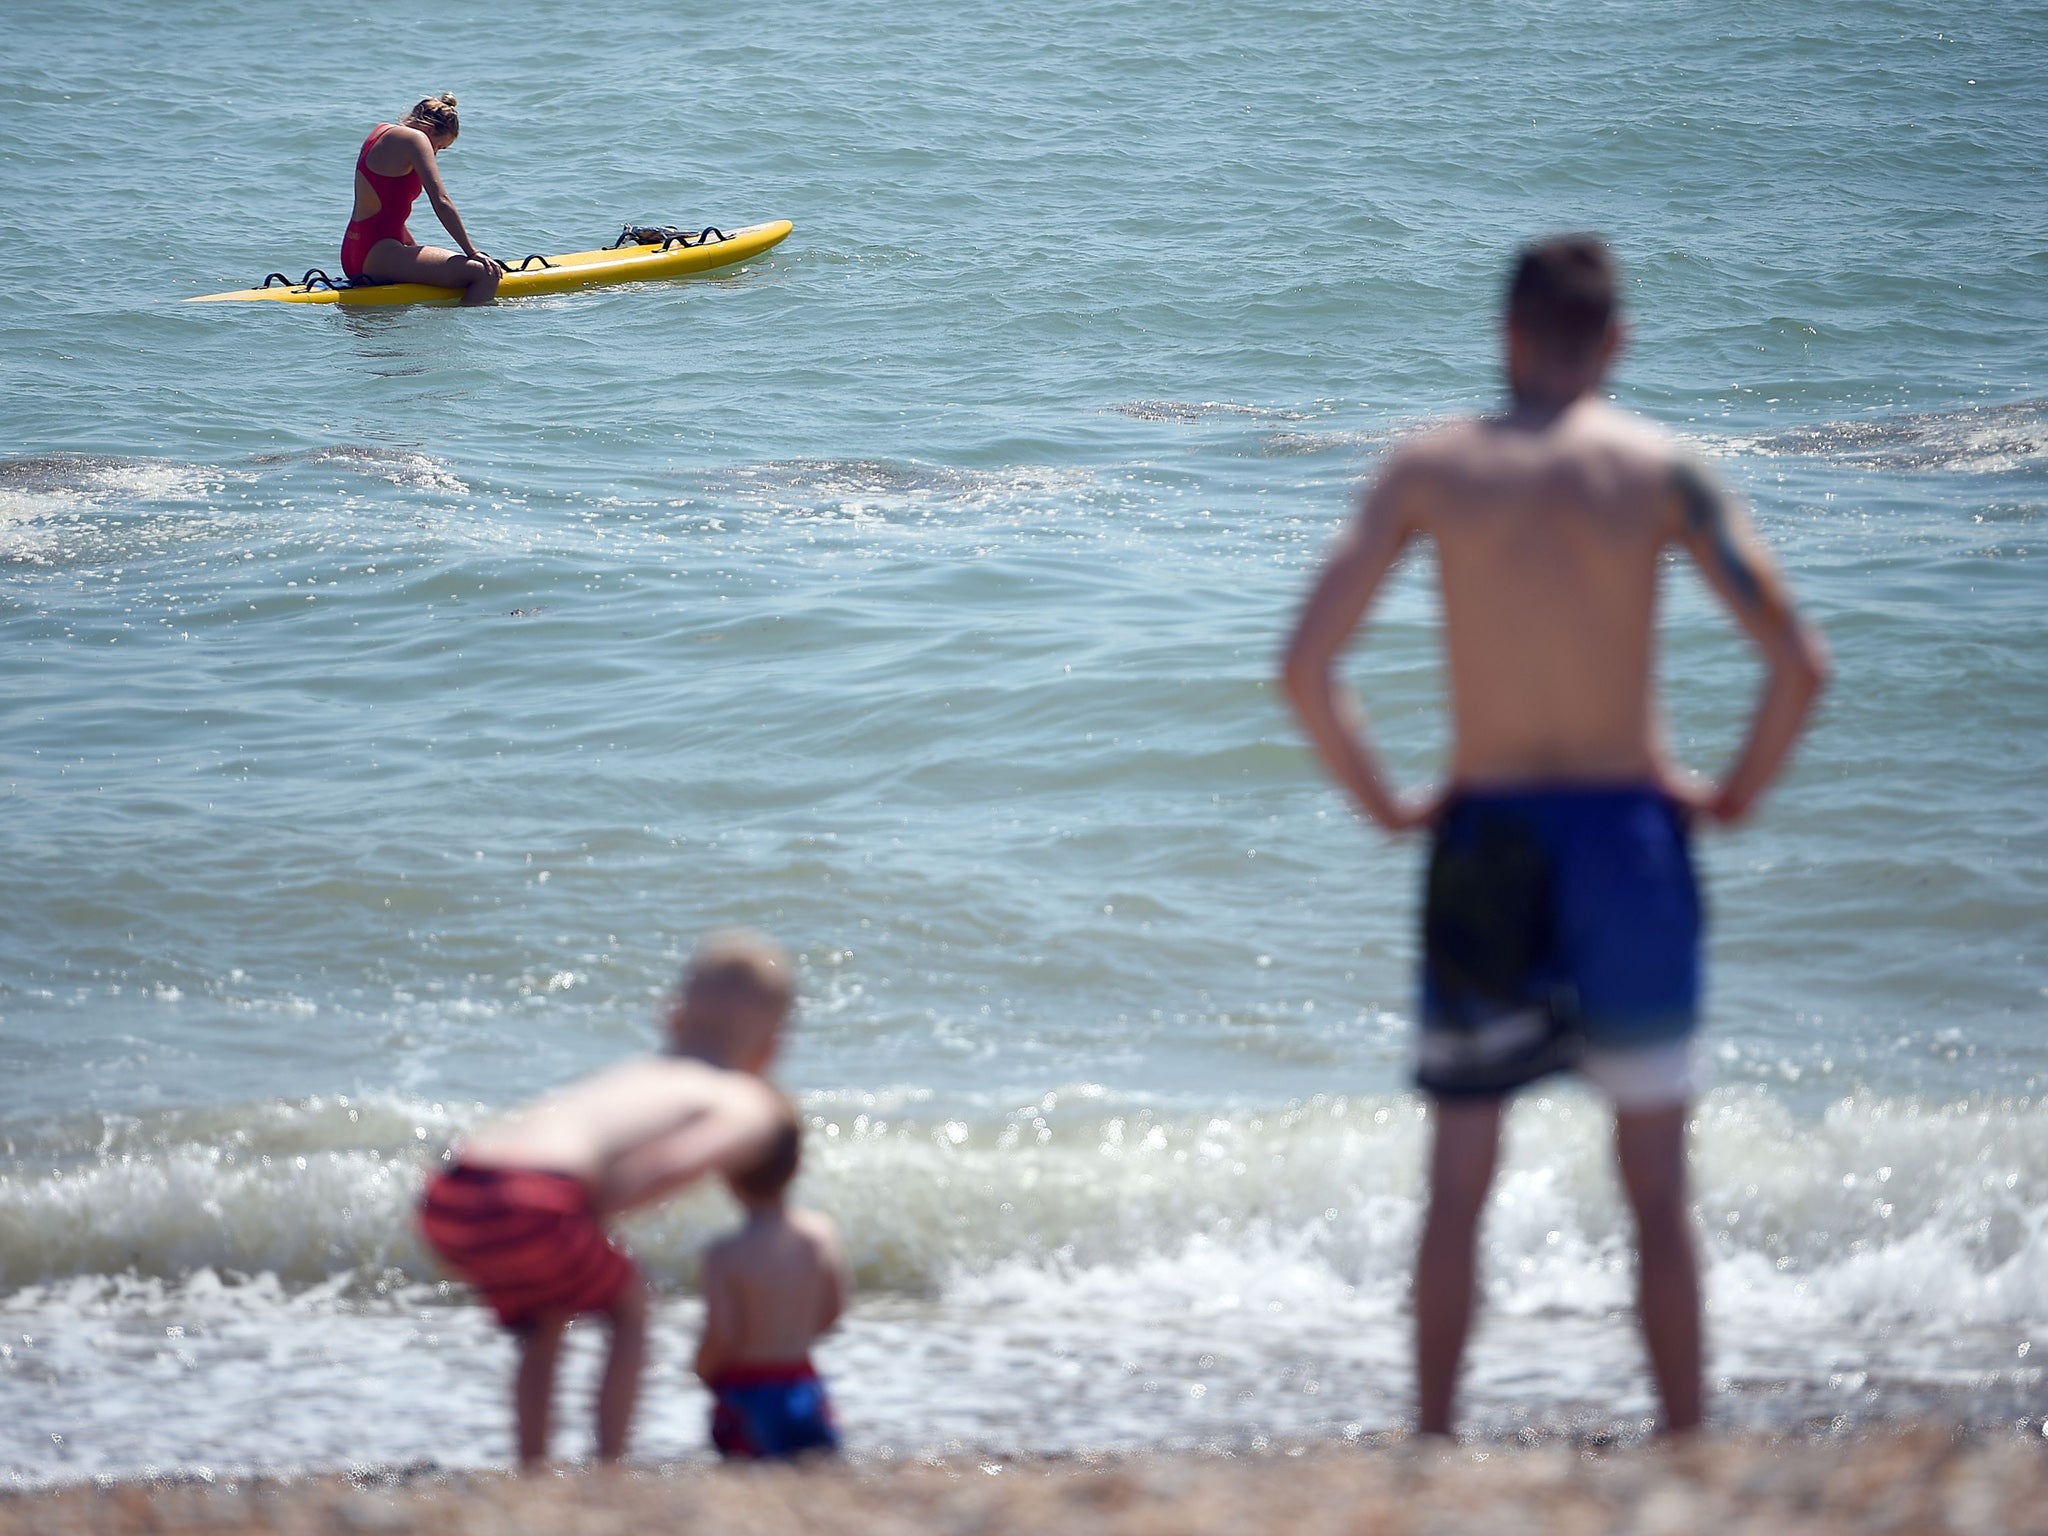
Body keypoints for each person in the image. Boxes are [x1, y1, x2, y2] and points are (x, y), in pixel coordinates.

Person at [1280, 234, 1829, 1438]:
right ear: (1615, 343)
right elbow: (1797, 663)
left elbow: (1305, 666)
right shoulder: (1662, 472)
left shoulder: (1430, 470)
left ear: (1506, 336)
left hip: (1485, 843)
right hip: (1627, 840)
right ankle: (1686, 1449)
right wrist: (1728, 794)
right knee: (1653, 1188)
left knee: (1458, 1185)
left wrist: (1386, 804)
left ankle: (1431, 1449)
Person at [417, 931, 795, 1468]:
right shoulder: (746, 1099)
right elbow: (667, 1166)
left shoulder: (641, 1071)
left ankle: (534, 1467)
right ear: (773, 1047)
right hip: (535, 1198)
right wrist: (589, 1212)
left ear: (671, 1016)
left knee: (545, 1316)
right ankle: (609, 1468)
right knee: (630, 1308)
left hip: (451, 1187)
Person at [694, 1100, 847, 1460]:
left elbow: (723, 1334)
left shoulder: (724, 1253)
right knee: (811, 1475)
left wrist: (702, 1368)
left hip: (747, 1393)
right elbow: (832, 1312)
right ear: (796, 1166)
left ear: (729, 1175)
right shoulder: (819, 1236)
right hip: (804, 1385)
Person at [340, 92, 503, 304]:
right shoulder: (416, 138)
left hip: (354, 252)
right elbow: (441, 201)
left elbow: (381, 204)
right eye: (439, 147)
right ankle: (460, 330)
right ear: (430, 130)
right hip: (380, 256)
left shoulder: (380, 131)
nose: (434, 153)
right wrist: (472, 252)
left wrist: (410, 249)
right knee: (484, 274)